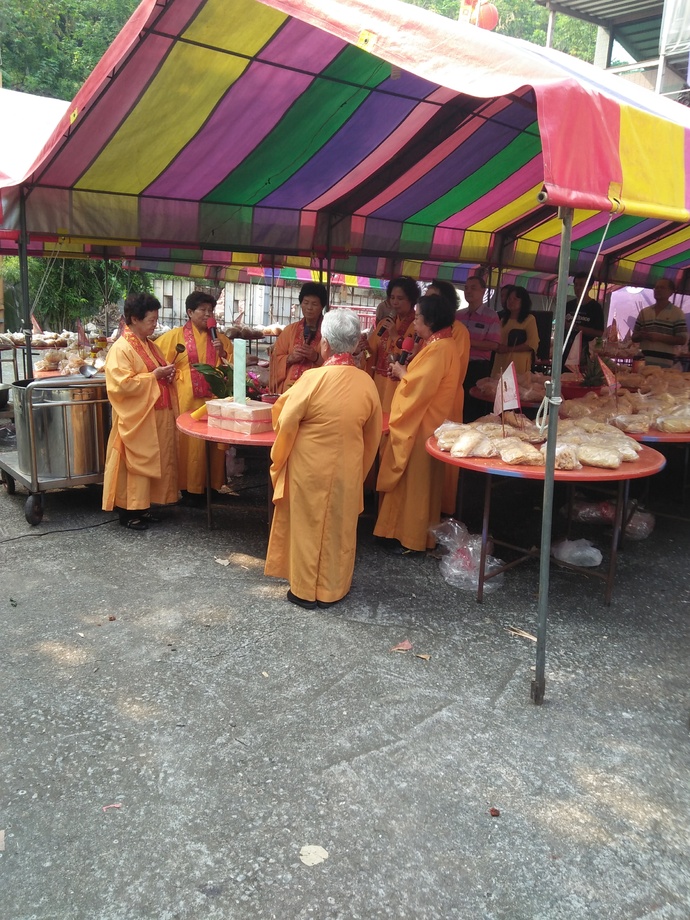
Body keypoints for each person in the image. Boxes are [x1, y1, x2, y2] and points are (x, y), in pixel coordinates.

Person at [265, 309, 382, 609]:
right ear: (354, 344)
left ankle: (304, 591)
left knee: (307, 528)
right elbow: (372, 437)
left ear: (325, 344)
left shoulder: (311, 379)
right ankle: (333, 590)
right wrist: (358, 470)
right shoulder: (367, 383)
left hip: (308, 469)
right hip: (346, 468)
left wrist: (280, 459)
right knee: (339, 529)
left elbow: (285, 420)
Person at [374, 294, 462, 554]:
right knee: (411, 483)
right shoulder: (437, 345)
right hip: (423, 422)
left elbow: (420, 388)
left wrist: (403, 373)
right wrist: (406, 371)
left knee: (415, 484)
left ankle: (410, 538)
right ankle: (394, 531)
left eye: (419, 318)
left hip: (422, 425)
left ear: (430, 321)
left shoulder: (440, 348)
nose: (415, 323)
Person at [102, 293, 178, 531]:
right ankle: (128, 511)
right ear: (134, 319)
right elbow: (121, 385)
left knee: (152, 461)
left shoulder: (151, 345)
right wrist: (153, 376)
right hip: (135, 416)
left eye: (156, 320)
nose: (155, 325)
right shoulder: (121, 348)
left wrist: (167, 374)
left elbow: (156, 373)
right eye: (151, 320)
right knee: (133, 465)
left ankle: (144, 506)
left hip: (153, 413)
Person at [157, 291, 234, 503]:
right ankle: (188, 490)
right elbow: (157, 360)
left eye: (211, 310)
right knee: (189, 445)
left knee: (213, 445)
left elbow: (234, 368)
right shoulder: (174, 337)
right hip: (186, 400)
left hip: (214, 401)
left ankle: (212, 486)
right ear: (190, 312)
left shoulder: (221, 339)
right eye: (203, 310)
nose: (208, 314)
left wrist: (223, 354)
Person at [366, 276, 420, 413]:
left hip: (398, 382)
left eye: (400, 298)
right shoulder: (384, 323)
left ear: (411, 300)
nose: (395, 302)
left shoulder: (417, 326)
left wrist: (395, 336)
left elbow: (414, 356)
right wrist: (364, 347)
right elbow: (370, 353)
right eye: (392, 297)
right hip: (378, 380)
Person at [455, 275, 501, 420]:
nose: (468, 291)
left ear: (483, 291)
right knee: (457, 402)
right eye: (466, 288)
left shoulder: (491, 316)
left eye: (473, 288)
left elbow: (493, 344)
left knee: (474, 406)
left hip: (478, 367)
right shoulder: (458, 316)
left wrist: (466, 341)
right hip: (457, 365)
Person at [269, 282, 327, 393]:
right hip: (288, 391)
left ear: (322, 306)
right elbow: (274, 360)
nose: (309, 308)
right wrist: (290, 358)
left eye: (314, 304)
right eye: (306, 302)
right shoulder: (289, 330)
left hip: (316, 390)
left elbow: (337, 365)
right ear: (301, 304)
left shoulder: (330, 332)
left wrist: (316, 357)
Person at [632, 278, 688, 368]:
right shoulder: (644, 312)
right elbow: (634, 337)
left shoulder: (677, 313)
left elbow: (682, 340)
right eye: (656, 288)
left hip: (665, 364)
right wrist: (641, 335)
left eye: (662, 288)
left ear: (671, 292)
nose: (658, 290)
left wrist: (659, 337)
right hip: (643, 363)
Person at [492, 286, 540, 378]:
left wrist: (508, 349)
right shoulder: (503, 320)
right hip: (500, 362)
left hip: (518, 365)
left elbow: (532, 344)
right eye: (509, 299)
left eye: (515, 299)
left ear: (523, 301)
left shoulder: (529, 319)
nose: (511, 301)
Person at [562, 271, 605, 370]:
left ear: (589, 287)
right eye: (576, 285)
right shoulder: (568, 305)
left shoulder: (595, 307)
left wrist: (577, 328)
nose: (577, 288)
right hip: (566, 350)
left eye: (581, 285)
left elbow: (599, 332)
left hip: (584, 353)